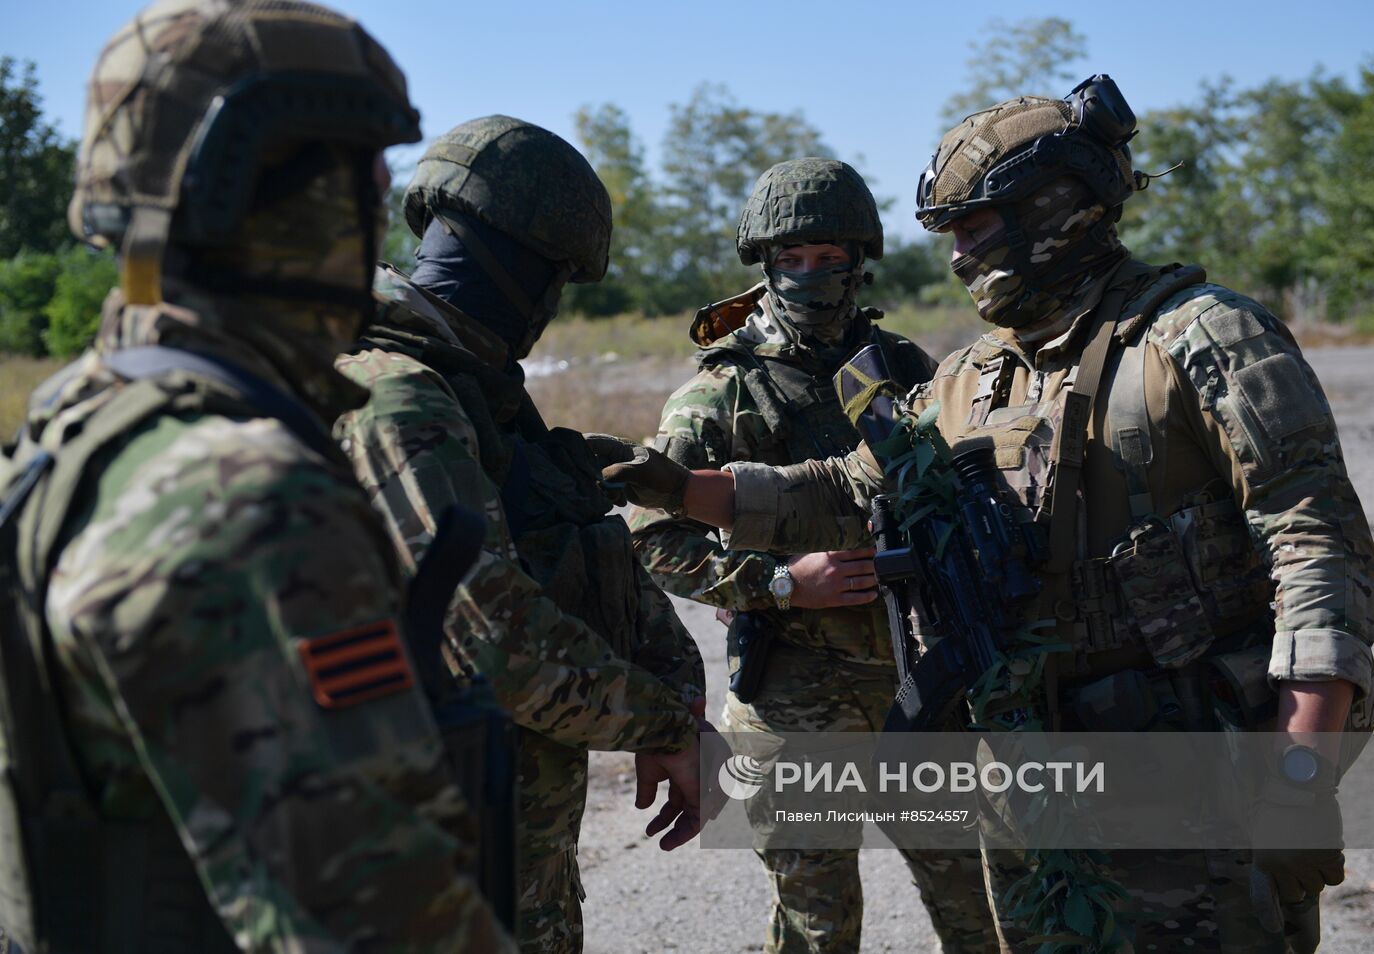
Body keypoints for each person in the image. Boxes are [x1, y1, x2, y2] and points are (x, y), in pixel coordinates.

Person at [590, 75, 1374, 953]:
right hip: (1028, 778)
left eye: (974, 227)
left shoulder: (1200, 335)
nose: (959, 255)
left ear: (1052, 210)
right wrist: (679, 487)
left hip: (1190, 774)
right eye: (949, 233)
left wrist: (1300, 768)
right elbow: (854, 484)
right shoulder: (970, 374)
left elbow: (1316, 543)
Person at [0, 2, 514, 951]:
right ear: (283, 191)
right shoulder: (248, 499)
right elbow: (380, 917)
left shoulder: (74, 423)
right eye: (368, 179)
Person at [333, 115, 708, 954]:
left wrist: (674, 684)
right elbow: (498, 643)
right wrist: (664, 725)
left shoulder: (476, 395)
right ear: (533, 274)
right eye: (560, 284)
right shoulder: (400, 398)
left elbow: (574, 555)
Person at [626, 157, 996, 953]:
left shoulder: (903, 368)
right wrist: (778, 582)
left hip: (922, 685)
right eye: (790, 260)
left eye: (829, 259)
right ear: (763, 264)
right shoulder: (721, 389)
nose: (810, 276)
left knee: (980, 904)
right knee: (817, 927)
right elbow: (653, 537)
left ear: (859, 262)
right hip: (793, 697)